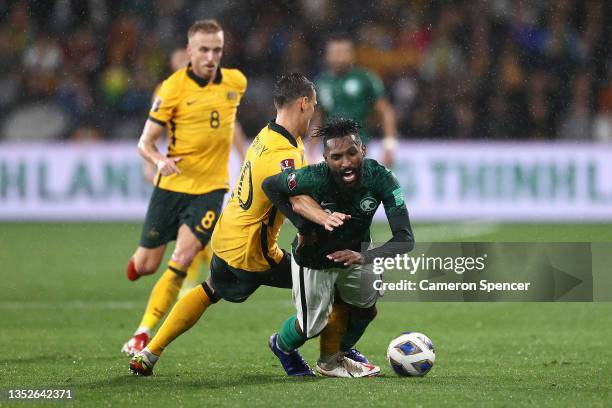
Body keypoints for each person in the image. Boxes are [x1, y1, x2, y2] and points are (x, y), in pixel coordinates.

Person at [129, 73, 324, 376]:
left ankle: (149, 353)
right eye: (313, 105)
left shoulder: (269, 136)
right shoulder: (281, 153)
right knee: (328, 282)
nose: (313, 112)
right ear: (303, 103)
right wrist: (327, 219)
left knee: (209, 290)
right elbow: (298, 201)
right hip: (252, 252)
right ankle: (304, 349)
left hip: (227, 235)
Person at [120, 19, 247, 356]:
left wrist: (245, 159)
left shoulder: (236, 82)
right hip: (171, 186)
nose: (210, 56)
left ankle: (143, 332)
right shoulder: (171, 88)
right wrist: (158, 160)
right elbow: (145, 142)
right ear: (189, 51)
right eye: (203, 50)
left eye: (216, 50)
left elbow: (228, 125)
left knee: (182, 259)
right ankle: (138, 263)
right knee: (147, 265)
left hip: (209, 190)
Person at [263, 118, 415, 377]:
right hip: (314, 259)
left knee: (366, 309)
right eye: (336, 157)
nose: (345, 163)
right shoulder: (313, 176)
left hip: (355, 255)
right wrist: (303, 227)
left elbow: (405, 239)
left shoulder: (382, 178)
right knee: (310, 327)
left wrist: (364, 256)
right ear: (325, 158)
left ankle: (337, 354)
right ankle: (281, 345)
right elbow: (270, 185)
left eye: (352, 153)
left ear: (363, 151)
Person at [309, 35, 399, 167]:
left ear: (352, 55)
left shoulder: (365, 79)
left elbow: (386, 112)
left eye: (342, 52)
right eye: (335, 53)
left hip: (357, 149)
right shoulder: (321, 83)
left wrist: (389, 146)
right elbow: (318, 118)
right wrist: (310, 150)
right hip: (330, 151)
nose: (338, 57)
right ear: (327, 56)